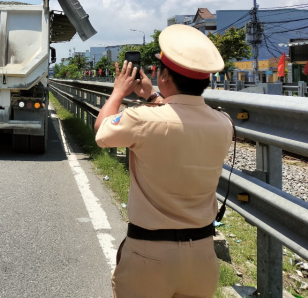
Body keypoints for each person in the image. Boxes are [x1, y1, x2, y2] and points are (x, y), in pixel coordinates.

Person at [94, 24, 233, 298]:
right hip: (202, 257)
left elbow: (102, 131)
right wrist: (152, 95)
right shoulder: (224, 123)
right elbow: (178, 117)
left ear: (165, 75)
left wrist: (120, 91)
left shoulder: (142, 118)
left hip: (149, 254)